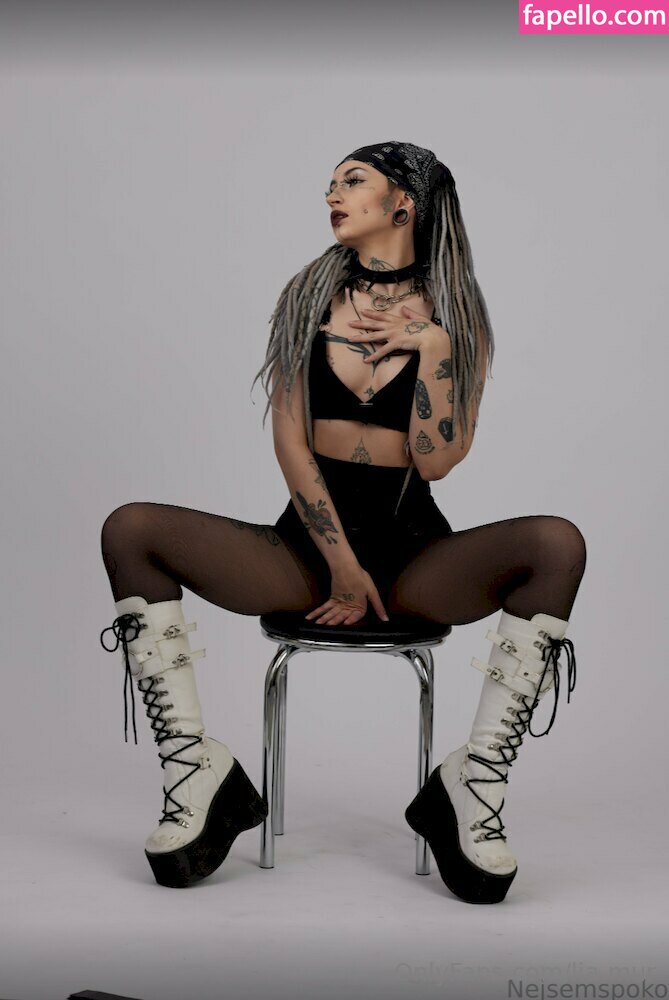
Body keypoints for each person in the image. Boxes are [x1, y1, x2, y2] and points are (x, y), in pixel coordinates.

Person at [99, 140, 586, 902]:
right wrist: (341, 566)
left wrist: (433, 349)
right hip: (305, 552)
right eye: (329, 184)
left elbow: (436, 461)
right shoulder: (308, 296)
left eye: (352, 181)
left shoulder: (456, 315)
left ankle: (476, 780)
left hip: (412, 558)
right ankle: (195, 769)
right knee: (131, 529)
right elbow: (290, 443)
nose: (332, 195)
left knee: (556, 544)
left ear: (403, 204)